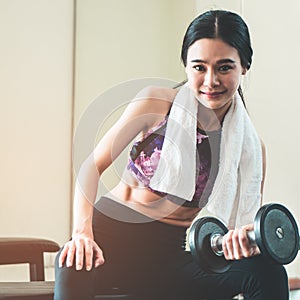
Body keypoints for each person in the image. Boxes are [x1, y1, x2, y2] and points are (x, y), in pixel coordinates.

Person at [54, 10, 288, 300]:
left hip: (172, 257)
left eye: (224, 68)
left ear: (244, 67)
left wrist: (245, 241)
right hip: (110, 240)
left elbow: (243, 228)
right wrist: (82, 234)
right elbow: (91, 167)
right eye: (199, 67)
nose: (210, 80)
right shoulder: (156, 103)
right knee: (72, 261)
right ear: (186, 66)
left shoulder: (250, 148)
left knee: (267, 271)